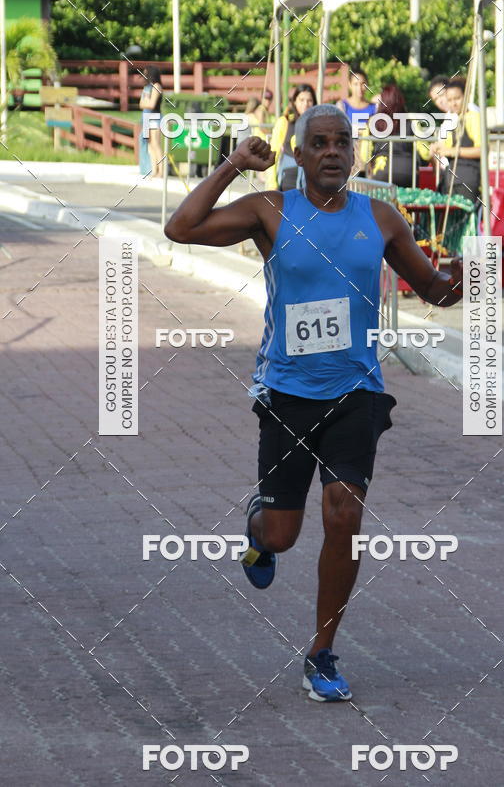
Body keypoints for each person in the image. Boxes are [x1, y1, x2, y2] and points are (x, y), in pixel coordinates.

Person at [164, 105, 463, 702]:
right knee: (281, 536)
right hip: (287, 394)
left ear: (354, 154)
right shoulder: (270, 209)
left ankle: (321, 653)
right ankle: (258, 529)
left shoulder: (380, 219)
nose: (332, 151)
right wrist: (233, 164)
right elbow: (182, 228)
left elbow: (433, 289)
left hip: (357, 390)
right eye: (319, 142)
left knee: (344, 515)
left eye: (342, 142)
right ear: (298, 154)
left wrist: (466, 277)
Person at [429, 77, 481, 203]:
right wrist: (436, 149)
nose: (453, 103)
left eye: (457, 99)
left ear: (465, 97)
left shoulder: (473, 116)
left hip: (467, 177)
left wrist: (452, 151)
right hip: (451, 178)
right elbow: (445, 147)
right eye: (450, 100)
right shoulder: (455, 118)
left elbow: (482, 150)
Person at [368, 84, 419, 188]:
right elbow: (425, 153)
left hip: (381, 171)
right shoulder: (412, 122)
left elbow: (365, 153)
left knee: (381, 204)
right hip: (408, 172)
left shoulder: (373, 122)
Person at [268, 83, 316, 190]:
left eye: (309, 100)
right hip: (288, 183)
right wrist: (272, 185)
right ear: (295, 101)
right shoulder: (284, 122)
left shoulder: (317, 125)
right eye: (301, 100)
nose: (305, 104)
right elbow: (272, 154)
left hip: (311, 187)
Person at [139, 65, 163, 178]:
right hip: (146, 117)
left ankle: (161, 170)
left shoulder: (157, 86)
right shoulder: (147, 88)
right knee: (150, 145)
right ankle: (154, 171)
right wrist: (145, 103)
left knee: (156, 144)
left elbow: (151, 104)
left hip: (155, 117)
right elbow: (141, 104)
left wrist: (145, 103)